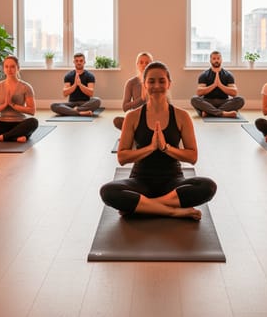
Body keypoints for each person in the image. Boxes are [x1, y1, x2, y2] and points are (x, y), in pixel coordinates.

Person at [100, 61, 217, 219]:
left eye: (162, 81)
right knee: (107, 191)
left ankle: (144, 206)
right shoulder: (132, 116)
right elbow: (122, 158)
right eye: (151, 81)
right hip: (140, 181)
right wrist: (150, 148)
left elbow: (192, 157)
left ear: (169, 83)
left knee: (208, 186)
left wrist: (165, 148)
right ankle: (172, 210)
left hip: (173, 182)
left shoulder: (182, 116)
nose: (156, 86)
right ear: (144, 84)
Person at [190, 50, 245, 118]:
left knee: (240, 100)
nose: (216, 60)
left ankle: (210, 113)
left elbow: (234, 93)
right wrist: (214, 85)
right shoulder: (204, 75)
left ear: (221, 60)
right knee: (194, 99)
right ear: (210, 60)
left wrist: (220, 85)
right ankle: (223, 113)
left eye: (218, 58)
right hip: (208, 102)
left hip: (224, 102)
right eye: (214, 59)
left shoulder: (228, 75)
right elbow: (199, 92)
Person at [50, 52, 102, 116]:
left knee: (97, 100)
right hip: (72, 103)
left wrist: (80, 85)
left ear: (84, 62)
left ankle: (75, 110)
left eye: (81, 61)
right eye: (76, 61)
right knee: (53, 105)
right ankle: (80, 112)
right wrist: (75, 85)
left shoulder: (90, 75)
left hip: (85, 103)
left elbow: (90, 93)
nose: (79, 62)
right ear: (74, 62)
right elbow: (65, 93)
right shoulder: (68, 75)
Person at [113, 51, 153, 130]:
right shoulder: (131, 83)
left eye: (147, 63)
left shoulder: (156, 82)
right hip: (137, 117)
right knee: (117, 121)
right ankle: (136, 130)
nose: (144, 65)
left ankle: (134, 132)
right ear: (137, 64)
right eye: (141, 62)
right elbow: (125, 107)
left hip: (153, 117)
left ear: (151, 65)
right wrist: (141, 99)